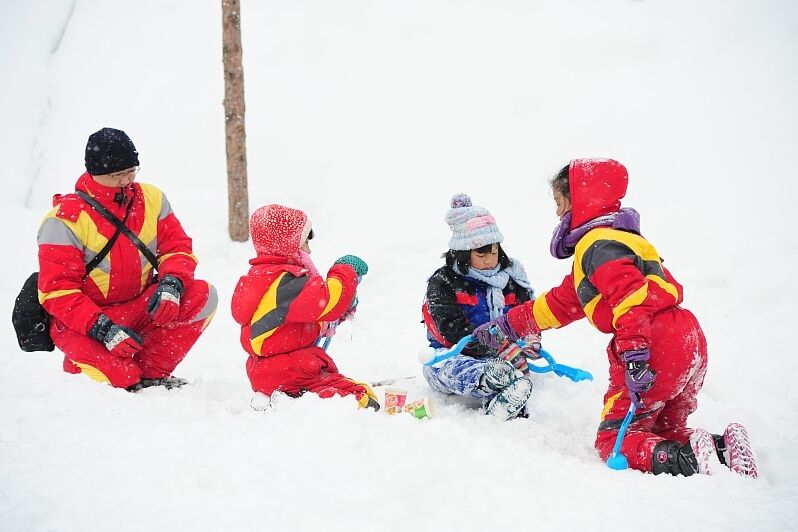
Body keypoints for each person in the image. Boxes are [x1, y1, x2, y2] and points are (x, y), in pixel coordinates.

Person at [473, 158, 757, 477]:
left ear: (578, 201)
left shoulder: (599, 245)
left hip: (651, 340)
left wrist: (635, 356)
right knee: (661, 430)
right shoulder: (622, 241)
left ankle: (692, 463)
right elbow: (562, 303)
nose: (556, 213)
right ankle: (723, 450)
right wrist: (508, 326)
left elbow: (630, 299)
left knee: (615, 441)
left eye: (558, 202)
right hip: (686, 337)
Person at [37, 127, 218, 390]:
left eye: (131, 172)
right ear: (95, 174)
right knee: (121, 378)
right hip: (85, 321)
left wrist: (172, 283)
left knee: (203, 296)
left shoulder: (152, 198)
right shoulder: (64, 220)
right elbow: (57, 292)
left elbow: (177, 247)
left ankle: (150, 372)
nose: (126, 181)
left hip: (139, 305)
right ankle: (79, 366)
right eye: (116, 175)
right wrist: (102, 329)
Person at [231, 203, 379, 410]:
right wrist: (346, 270)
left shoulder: (261, 277)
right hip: (292, 371)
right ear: (288, 244)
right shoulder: (286, 282)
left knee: (348, 391)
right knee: (360, 399)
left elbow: (295, 322)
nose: (309, 250)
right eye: (304, 243)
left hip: (272, 369)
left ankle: (275, 397)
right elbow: (330, 301)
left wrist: (340, 312)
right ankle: (286, 401)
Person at [421, 194, 538, 421]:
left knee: (506, 367)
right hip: (452, 353)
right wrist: (494, 346)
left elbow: (527, 314)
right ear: (463, 252)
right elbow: (450, 328)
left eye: (494, 251)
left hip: (506, 355)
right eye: (480, 254)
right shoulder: (443, 281)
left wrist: (531, 339)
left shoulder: (512, 279)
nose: (489, 260)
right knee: (447, 368)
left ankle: (505, 398)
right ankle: (494, 378)